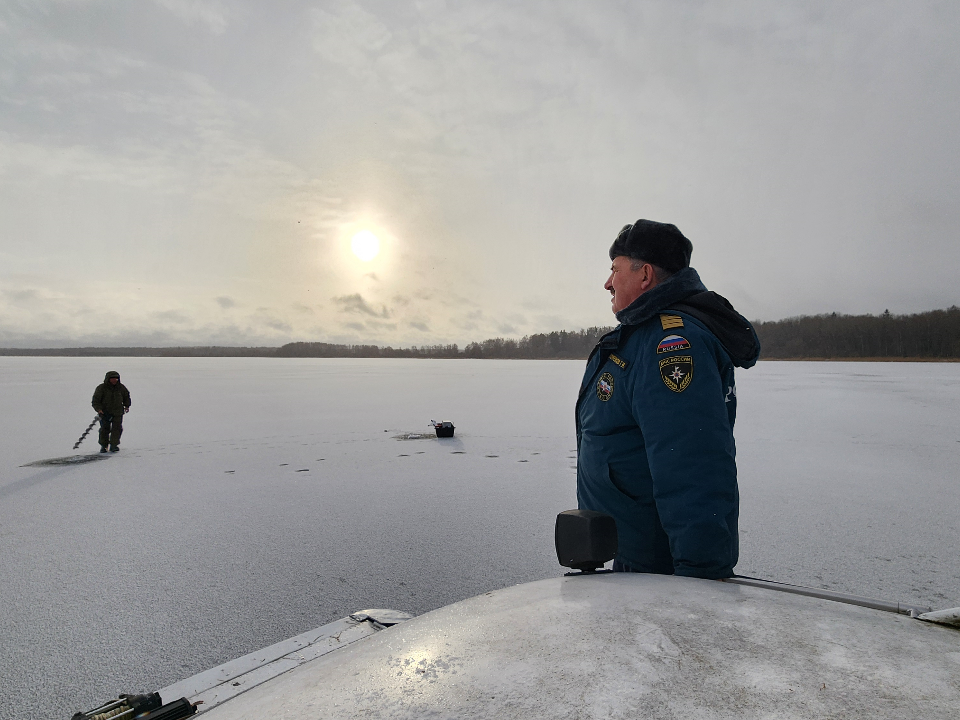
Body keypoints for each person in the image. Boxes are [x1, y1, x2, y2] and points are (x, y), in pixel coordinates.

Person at [576, 219, 760, 579]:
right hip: (630, 555)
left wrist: (698, 578)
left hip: (657, 571)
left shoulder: (672, 345)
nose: (607, 282)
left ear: (645, 275)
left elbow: (693, 465)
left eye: (615, 269)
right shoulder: (639, 336)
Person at [92, 370, 131, 453]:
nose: (114, 380)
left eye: (116, 379)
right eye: (112, 378)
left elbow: (126, 396)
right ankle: (104, 446)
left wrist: (127, 405)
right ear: (108, 379)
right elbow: (95, 400)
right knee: (104, 429)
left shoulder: (121, 387)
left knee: (117, 429)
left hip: (118, 412)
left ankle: (114, 445)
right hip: (105, 412)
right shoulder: (101, 388)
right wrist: (99, 409)